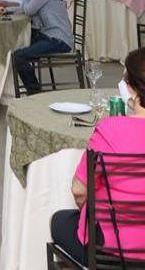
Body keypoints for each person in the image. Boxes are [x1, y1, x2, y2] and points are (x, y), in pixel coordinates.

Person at [50, 48, 145, 262]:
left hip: (111, 247)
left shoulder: (110, 129)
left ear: (132, 89)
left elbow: (79, 191)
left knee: (59, 220)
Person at [7, 0, 74, 95]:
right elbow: (27, 7)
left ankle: (35, 93)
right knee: (15, 44)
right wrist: (7, 10)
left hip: (58, 40)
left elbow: (28, 10)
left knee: (19, 56)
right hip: (48, 35)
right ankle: (9, 89)